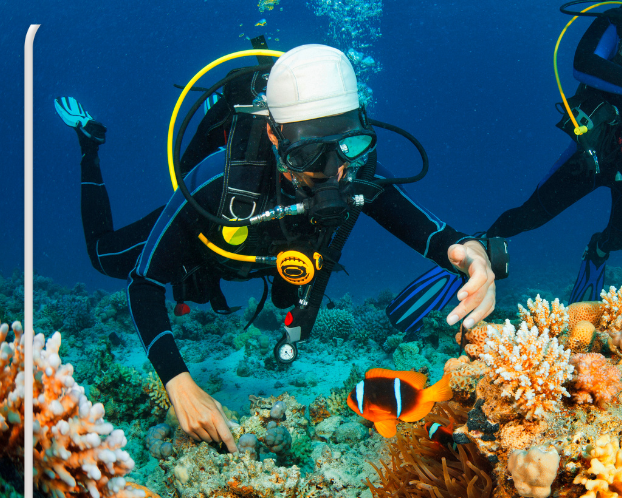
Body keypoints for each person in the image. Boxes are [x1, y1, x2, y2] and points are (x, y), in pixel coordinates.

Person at [55, 44, 505, 452]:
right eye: (309, 153)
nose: (334, 173)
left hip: (278, 260)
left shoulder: (357, 172)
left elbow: (435, 235)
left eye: (348, 145)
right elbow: (144, 284)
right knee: (105, 257)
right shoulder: (216, 181)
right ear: (274, 136)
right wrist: (178, 381)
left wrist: (472, 254)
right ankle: (88, 145)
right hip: (206, 246)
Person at [387, 0, 622, 329]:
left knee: (620, 237)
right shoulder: (617, 24)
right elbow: (584, 65)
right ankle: (472, 254)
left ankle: (596, 254)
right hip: (597, 153)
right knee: (528, 215)